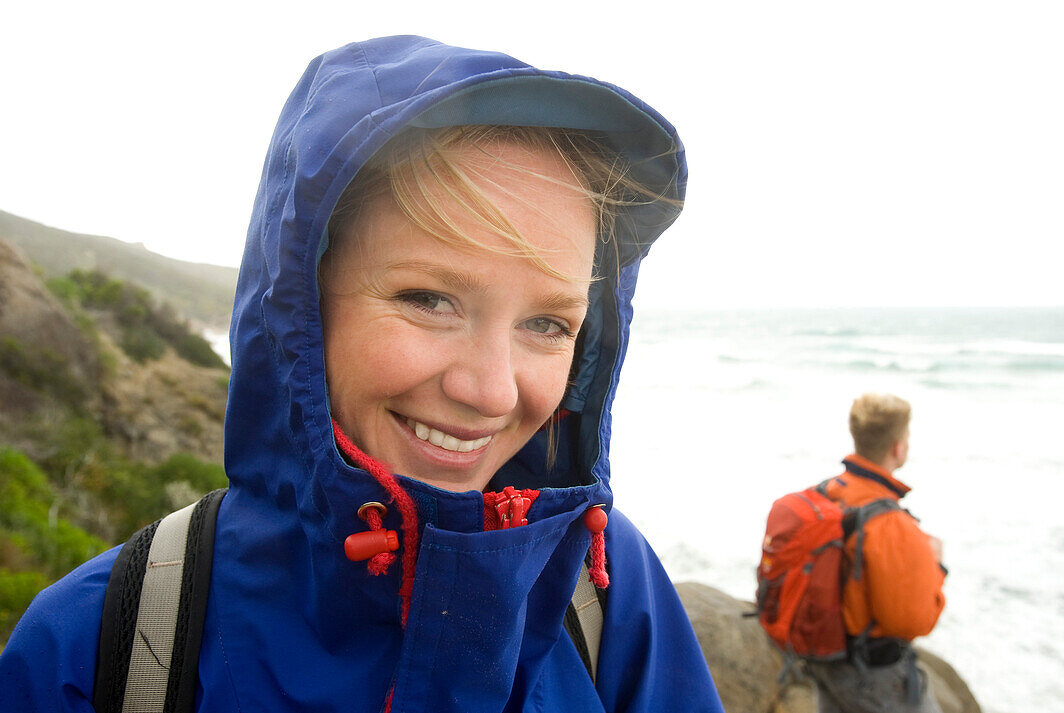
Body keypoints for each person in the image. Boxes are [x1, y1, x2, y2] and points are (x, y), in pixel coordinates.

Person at [0, 36, 725, 712]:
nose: (494, 390)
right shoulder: (98, 643)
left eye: (548, 324)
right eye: (429, 299)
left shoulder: (602, 584)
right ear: (301, 310)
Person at [809, 393, 947, 713]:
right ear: (898, 447)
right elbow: (912, 623)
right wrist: (936, 565)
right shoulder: (889, 523)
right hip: (870, 672)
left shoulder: (825, 493)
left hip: (822, 657)